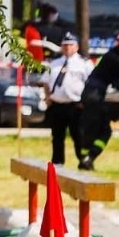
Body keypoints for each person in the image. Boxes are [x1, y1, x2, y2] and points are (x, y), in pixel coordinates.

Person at [74, 29, 119, 170]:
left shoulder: (113, 57)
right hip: (94, 95)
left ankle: (85, 159)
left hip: (93, 94)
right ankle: (88, 158)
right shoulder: (112, 57)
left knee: (95, 129)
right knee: (102, 131)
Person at [43, 32, 92, 166]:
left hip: (75, 105)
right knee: (57, 136)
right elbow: (46, 81)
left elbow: (90, 84)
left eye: (70, 45)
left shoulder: (84, 63)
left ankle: (83, 160)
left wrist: (85, 101)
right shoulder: (54, 63)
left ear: (76, 47)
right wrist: (47, 97)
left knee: (78, 135)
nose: (67, 48)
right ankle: (58, 161)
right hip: (57, 105)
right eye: (65, 45)